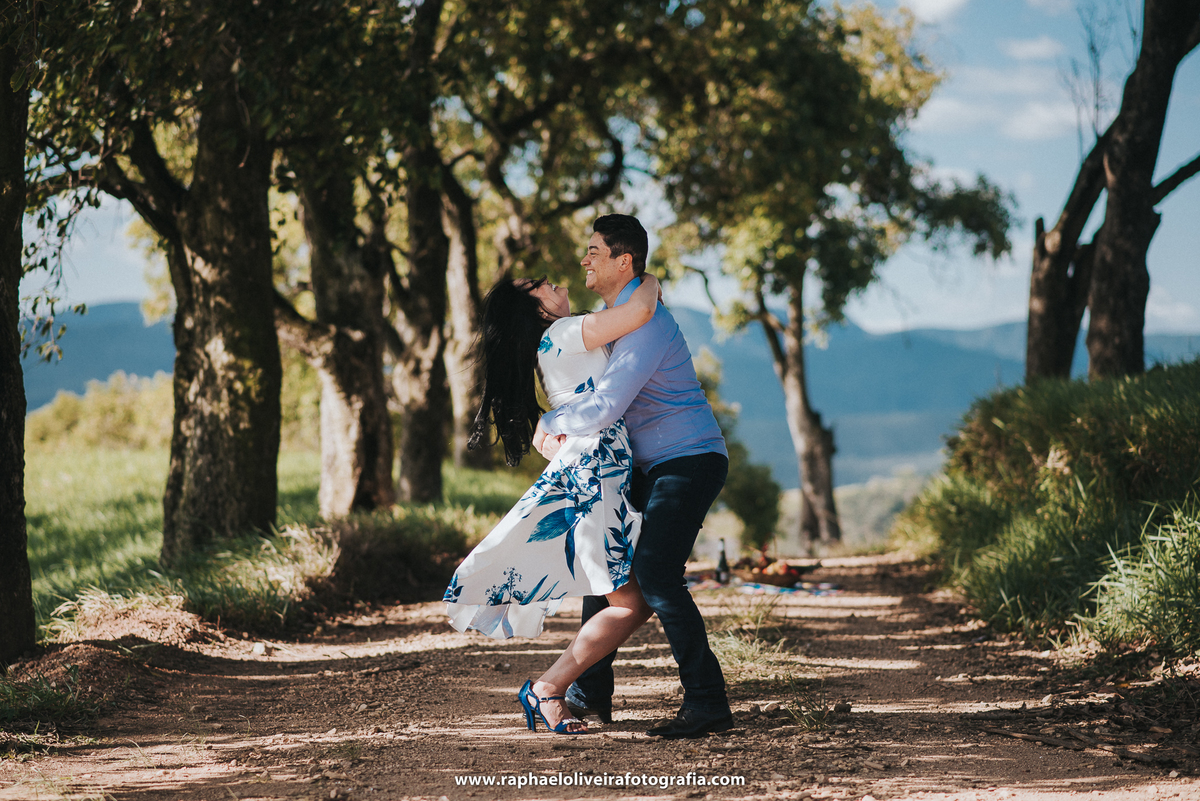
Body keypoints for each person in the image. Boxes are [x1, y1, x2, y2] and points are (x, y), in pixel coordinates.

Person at [536, 214, 732, 740]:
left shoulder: (647, 323)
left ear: (624, 261)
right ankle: (589, 693)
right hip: (648, 466)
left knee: (658, 575)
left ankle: (708, 703)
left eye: (594, 251)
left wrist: (547, 422)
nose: (584, 259)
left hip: (688, 460)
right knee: (606, 568)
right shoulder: (617, 315)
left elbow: (605, 405)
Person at [444, 270, 662, 734]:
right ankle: (547, 688)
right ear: (537, 311)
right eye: (540, 283)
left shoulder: (555, 342)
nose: (556, 281)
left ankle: (556, 688)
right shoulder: (564, 332)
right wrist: (648, 274)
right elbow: (641, 310)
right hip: (596, 473)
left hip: (597, 471)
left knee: (626, 599)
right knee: (630, 603)